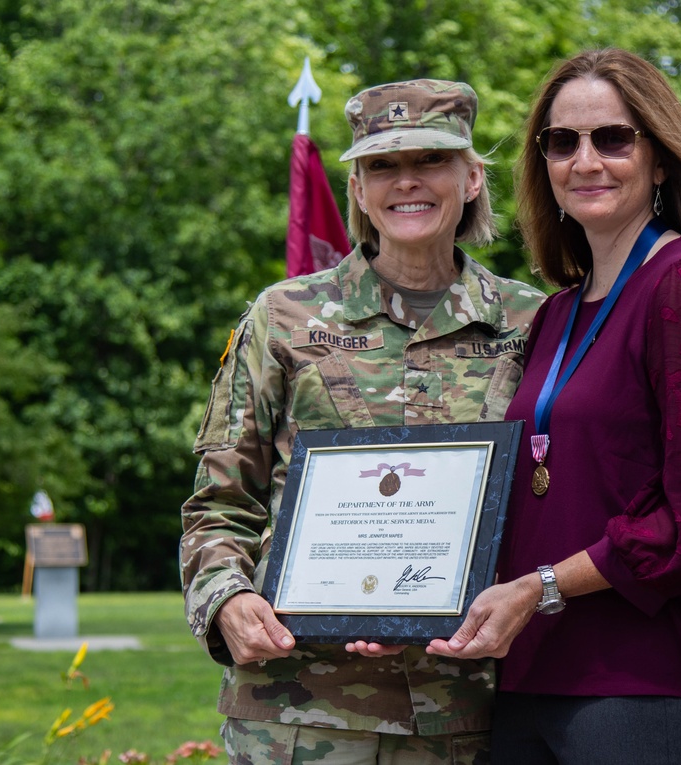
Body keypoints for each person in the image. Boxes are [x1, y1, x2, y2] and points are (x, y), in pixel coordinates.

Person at [180, 79, 545, 764]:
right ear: (356, 187)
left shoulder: (530, 323)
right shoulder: (283, 317)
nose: (405, 182)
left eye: (429, 160)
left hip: (467, 712)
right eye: (381, 165)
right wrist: (226, 597)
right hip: (298, 714)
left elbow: (551, 505)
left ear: (470, 178)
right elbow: (218, 501)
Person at [428, 48, 681, 764]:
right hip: (531, 680)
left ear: (661, 158)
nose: (585, 160)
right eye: (561, 141)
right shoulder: (554, 316)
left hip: (647, 687)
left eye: (612, 138)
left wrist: (543, 586)